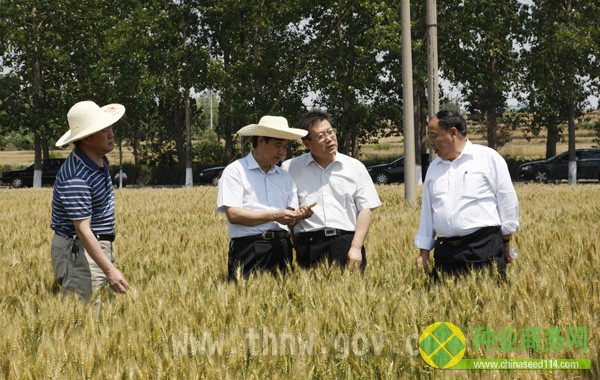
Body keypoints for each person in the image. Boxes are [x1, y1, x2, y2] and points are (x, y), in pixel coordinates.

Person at [414, 110, 520, 280]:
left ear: (453, 133)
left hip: (483, 248)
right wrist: (424, 252)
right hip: (446, 253)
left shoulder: (488, 158)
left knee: (489, 302)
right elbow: (427, 213)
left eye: (434, 136)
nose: (431, 142)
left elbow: (507, 201)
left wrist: (506, 242)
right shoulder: (434, 167)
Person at [51, 100, 130, 308]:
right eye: (104, 130)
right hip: (80, 251)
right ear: (86, 138)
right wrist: (110, 270)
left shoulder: (98, 160)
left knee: (99, 317)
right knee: (84, 319)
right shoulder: (76, 176)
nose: (111, 133)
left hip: (94, 248)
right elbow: (83, 229)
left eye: (110, 127)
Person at [281, 110, 381, 271]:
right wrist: (298, 217)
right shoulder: (290, 168)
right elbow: (286, 211)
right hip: (309, 244)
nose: (329, 139)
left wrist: (356, 247)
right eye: (321, 136)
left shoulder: (355, 167)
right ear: (306, 143)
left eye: (330, 132)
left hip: (346, 243)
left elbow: (365, 210)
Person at [217, 115, 312, 281]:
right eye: (277, 146)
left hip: (282, 248)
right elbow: (234, 215)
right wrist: (275, 215)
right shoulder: (235, 171)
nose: (282, 152)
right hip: (249, 247)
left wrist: (299, 215)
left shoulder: (285, 177)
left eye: (284, 146)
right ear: (261, 141)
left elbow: (289, 219)